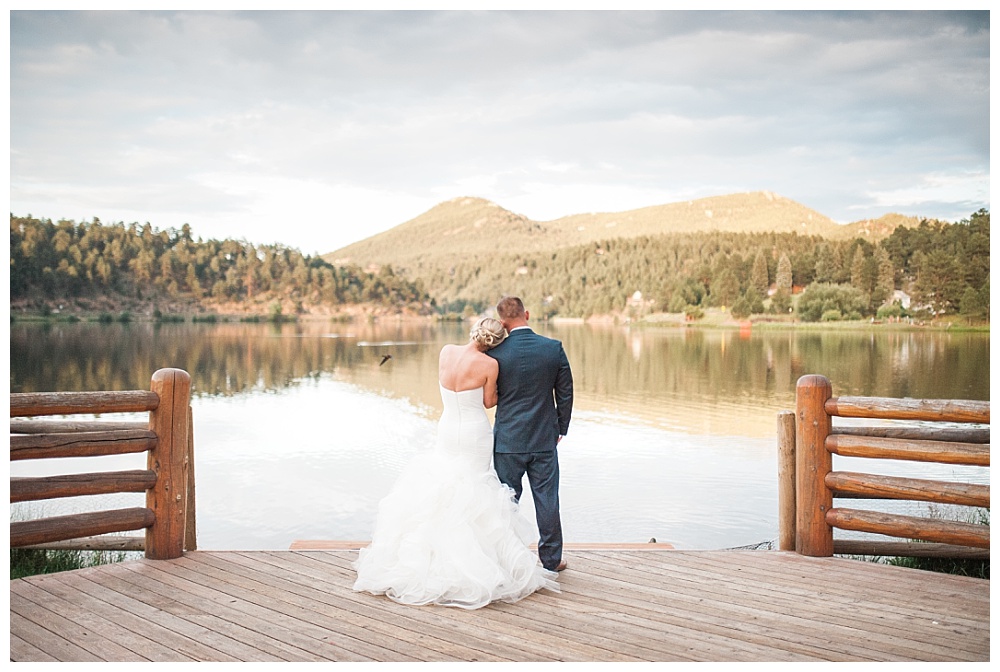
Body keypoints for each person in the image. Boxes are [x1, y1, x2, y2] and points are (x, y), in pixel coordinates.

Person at [353, 317, 559, 609]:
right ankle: (478, 561)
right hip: (475, 434)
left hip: (448, 429)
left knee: (445, 486)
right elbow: (489, 402)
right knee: (474, 490)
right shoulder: (490, 366)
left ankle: (430, 557)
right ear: (497, 343)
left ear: (475, 331)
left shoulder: (446, 351)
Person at [488, 296, 574, 573]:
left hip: (507, 441)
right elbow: (565, 394)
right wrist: (561, 428)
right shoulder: (552, 348)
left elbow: (488, 395)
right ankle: (551, 561)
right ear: (527, 313)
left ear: (502, 323)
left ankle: (506, 559)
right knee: (547, 499)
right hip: (543, 439)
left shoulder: (494, 354)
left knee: (505, 502)